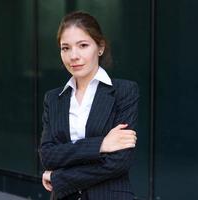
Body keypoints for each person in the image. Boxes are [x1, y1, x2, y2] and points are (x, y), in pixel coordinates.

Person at [39, 11, 139, 200]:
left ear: (100, 47)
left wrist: (58, 177)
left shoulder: (124, 91)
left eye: (83, 45)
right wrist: (101, 144)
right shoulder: (53, 99)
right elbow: (48, 156)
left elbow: (119, 161)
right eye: (65, 48)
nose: (73, 56)